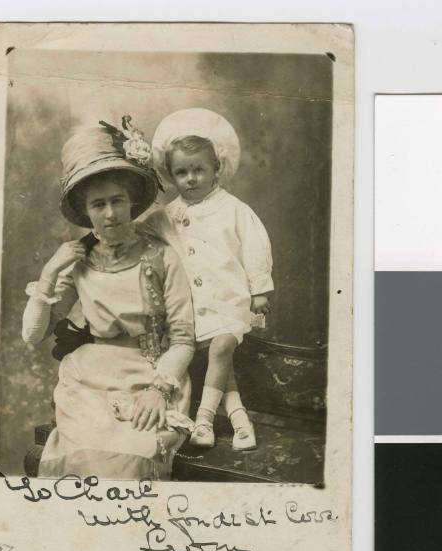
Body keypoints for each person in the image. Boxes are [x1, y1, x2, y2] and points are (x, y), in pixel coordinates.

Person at [22, 116, 195, 479]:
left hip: (150, 377)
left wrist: (158, 392)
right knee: (85, 458)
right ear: (86, 212)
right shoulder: (77, 260)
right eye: (98, 205)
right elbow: (33, 334)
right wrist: (50, 273)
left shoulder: (162, 257)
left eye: (117, 201)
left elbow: (182, 339)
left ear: (132, 201)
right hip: (87, 385)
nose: (111, 214)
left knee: (132, 458)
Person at [147, 108, 274, 451]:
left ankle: (202, 421)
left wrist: (258, 291)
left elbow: (255, 247)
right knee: (222, 364)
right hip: (192, 307)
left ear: (217, 167)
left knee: (221, 348)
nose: (191, 178)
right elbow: (140, 235)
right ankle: (240, 420)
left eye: (199, 170)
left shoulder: (234, 209)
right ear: (170, 175)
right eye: (182, 172)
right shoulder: (166, 216)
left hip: (229, 300)